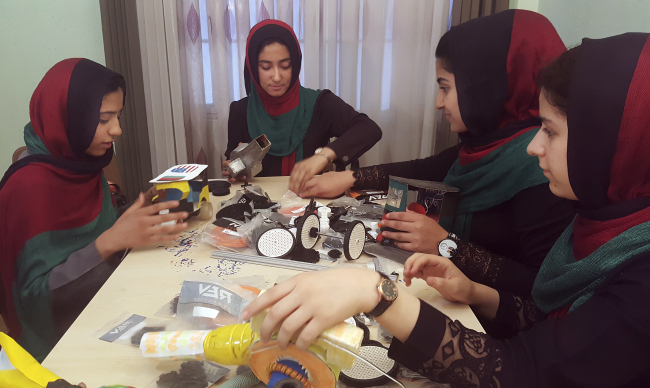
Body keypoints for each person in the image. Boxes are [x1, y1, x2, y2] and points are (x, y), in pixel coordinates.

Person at [242, 33, 650, 386]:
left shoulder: (638, 281)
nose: (534, 147)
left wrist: (378, 295)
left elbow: (524, 371)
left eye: (551, 131)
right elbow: (547, 317)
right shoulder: (601, 218)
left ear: (609, 140)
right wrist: (475, 292)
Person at [293, 10, 576, 299]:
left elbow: (540, 286)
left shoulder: (540, 166)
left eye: (445, 88)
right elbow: (424, 169)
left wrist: (445, 243)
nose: (439, 103)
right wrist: (349, 177)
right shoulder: (487, 143)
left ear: (482, 85)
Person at [0, 58, 189, 361]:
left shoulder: (80, 163)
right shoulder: (28, 186)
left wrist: (130, 216)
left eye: (117, 116)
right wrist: (110, 241)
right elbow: (32, 299)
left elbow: (92, 235)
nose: (117, 130)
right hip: (56, 346)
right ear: (68, 116)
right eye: (103, 119)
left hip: (104, 301)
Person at [222, 19, 382, 192]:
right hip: (257, 209)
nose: (276, 77)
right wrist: (235, 171)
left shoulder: (319, 104)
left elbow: (369, 129)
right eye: (266, 67)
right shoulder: (240, 111)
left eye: (285, 66)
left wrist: (324, 156)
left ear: (295, 65)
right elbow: (233, 166)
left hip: (311, 207)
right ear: (253, 68)